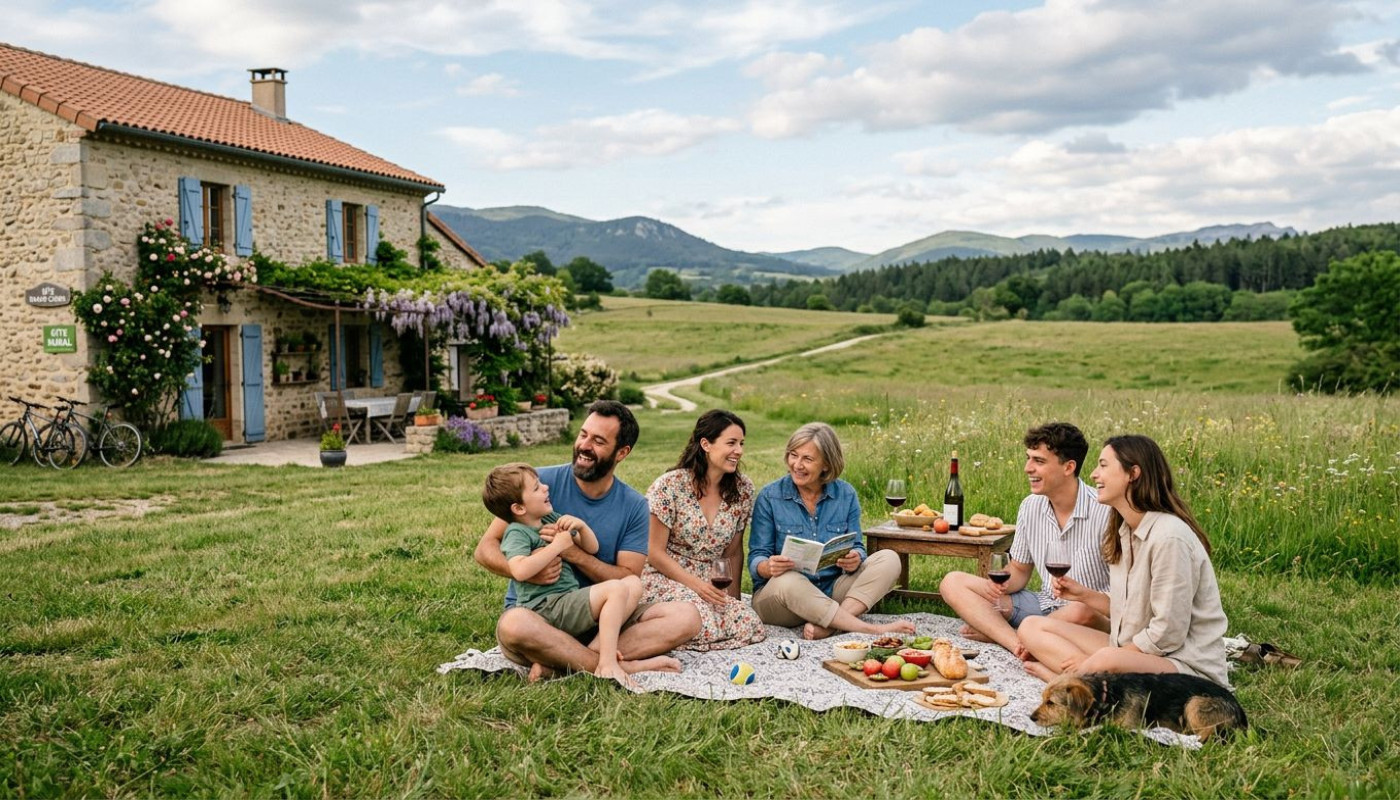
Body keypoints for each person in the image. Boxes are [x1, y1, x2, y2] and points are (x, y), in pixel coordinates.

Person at [473, 400, 698, 680]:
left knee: (686, 617)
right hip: (541, 619)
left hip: (604, 618)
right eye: (583, 434)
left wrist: (575, 555)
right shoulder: (537, 485)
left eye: (598, 441)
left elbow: (628, 576)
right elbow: (486, 548)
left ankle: (565, 662)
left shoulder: (634, 505)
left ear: (622, 452)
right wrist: (529, 569)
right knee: (514, 625)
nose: (584, 446)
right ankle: (606, 664)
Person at [1018, 434, 1230, 688]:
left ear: (1133, 474)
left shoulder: (1169, 537)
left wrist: (1100, 660)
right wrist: (1084, 595)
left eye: (1103, 465)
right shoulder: (1124, 532)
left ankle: (1069, 681)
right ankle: (1087, 680)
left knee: (1106, 659)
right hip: (1132, 649)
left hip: (1184, 665)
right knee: (1030, 627)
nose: (1094, 474)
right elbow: (1130, 612)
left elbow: (1167, 633)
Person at [938, 422, 1111, 655]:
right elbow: (1019, 569)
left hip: (1089, 616)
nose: (1027, 468)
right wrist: (998, 585)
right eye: (1028, 458)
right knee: (953, 582)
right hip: (1043, 605)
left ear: (1068, 467)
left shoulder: (1106, 512)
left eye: (1038, 461)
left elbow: (1124, 596)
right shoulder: (1030, 506)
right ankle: (1017, 643)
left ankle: (1003, 633)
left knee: (1079, 611)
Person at [748, 422, 915, 640]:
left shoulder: (846, 494)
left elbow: (857, 546)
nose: (797, 465)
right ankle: (870, 629)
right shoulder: (770, 497)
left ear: (826, 464)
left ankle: (831, 625)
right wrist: (768, 567)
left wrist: (856, 558)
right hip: (782, 599)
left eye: (807, 459)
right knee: (789, 580)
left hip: (831, 590)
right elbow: (756, 557)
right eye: (793, 455)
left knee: (889, 559)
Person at [483, 463, 644, 687]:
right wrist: (556, 547)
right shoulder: (516, 532)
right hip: (544, 607)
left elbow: (592, 548)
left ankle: (573, 661)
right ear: (519, 508)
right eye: (537, 488)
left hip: (564, 602)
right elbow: (519, 570)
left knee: (632, 583)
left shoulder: (550, 519)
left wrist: (582, 528)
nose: (546, 487)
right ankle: (607, 664)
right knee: (615, 589)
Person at [643, 409, 766, 651]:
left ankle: (678, 637)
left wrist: (733, 602)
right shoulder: (670, 486)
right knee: (700, 614)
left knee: (748, 622)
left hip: (710, 582)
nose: (739, 451)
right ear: (706, 444)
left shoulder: (742, 489)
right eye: (731, 443)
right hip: (667, 576)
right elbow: (654, 553)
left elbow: (732, 553)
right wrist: (697, 586)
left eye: (741, 444)